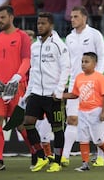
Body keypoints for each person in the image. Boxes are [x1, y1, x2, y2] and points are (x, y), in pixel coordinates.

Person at [22, 12, 70, 172]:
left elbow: (66, 68)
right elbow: (33, 71)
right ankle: (42, 157)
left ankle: (56, 161)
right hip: (36, 93)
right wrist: (28, 93)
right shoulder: (34, 46)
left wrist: (59, 90)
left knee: (57, 129)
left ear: (51, 25)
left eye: (43, 23)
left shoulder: (59, 44)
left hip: (52, 95)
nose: (40, 26)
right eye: (38, 23)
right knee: (27, 123)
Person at [0, 6, 31, 171]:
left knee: (20, 124)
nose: (0, 21)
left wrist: (18, 76)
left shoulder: (22, 37)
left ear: (11, 17)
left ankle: (35, 153)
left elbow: (27, 60)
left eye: (3, 17)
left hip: (16, 87)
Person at [62, 6, 104, 167]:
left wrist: (98, 77)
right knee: (72, 119)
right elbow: (68, 62)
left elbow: (103, 56)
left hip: (93, 84)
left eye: (75, 16)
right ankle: (65, 157)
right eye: (71, 16)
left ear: (84, 18)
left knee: (96, 123)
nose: (72, 19)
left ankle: (102, 155)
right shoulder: (69, 38)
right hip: (76, 83)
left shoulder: (94, 34)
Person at [63, 52, 104, 172]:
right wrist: (62, 95)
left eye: (87, 62)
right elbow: (75, 94)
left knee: (98, 140)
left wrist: (103, 112)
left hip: (96, 111)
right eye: (82, 61)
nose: (83, 64)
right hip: (82, 111)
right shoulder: (79, 77)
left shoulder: (100, 77)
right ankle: (85, 163)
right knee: (83, 138)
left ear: (95, 64)